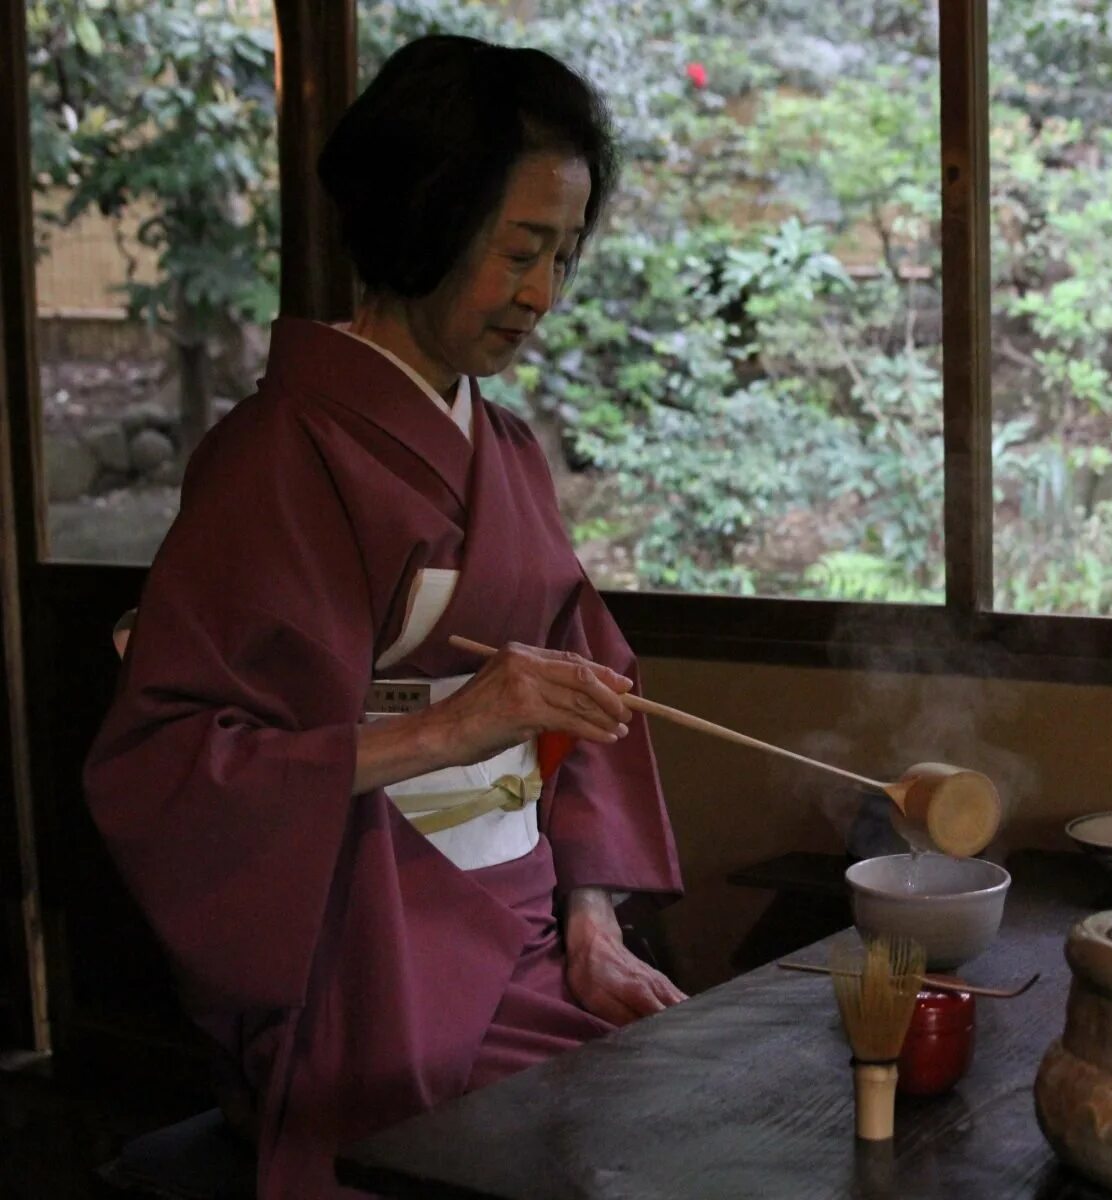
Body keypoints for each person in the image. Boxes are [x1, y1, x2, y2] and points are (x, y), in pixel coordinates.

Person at [83, 36, 684, 1199]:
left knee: (681, 1092)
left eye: (563, 255)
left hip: (533, 928)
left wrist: (594, 920)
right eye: (519, 251)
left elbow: (591, 707)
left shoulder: (507, 449)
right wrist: (452, 728)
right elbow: (168, 768)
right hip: (366, 940)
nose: (542, 297)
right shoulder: (275, 456)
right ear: (428, 216)